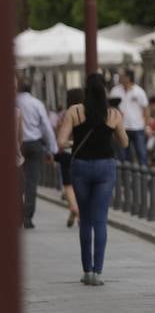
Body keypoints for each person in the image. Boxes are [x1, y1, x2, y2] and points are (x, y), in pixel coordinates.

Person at [56, 73, 129, 285]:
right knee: (101, 220)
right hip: (105, 167)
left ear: (86, 90)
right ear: (104, 91)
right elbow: (124, 143)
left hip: (80, 167)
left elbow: (61, 141)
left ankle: (86, 271)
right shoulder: (113, 114)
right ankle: (98, 272)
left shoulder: (75, 111)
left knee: (85, 220)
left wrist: (74, 143)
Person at [17, 78, 58, 228]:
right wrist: (52, 148)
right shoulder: (36, 103)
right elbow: (46, 126)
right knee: (31, 182)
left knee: (15, 181)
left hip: (15, 145)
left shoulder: (12, 102)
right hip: (34, 144)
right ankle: (27, 217)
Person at [54, 87, 83, 227]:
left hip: (66, 152)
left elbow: (58, 134)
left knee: (68, 183)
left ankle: (74, 209)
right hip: (82, 152)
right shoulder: (86, 113)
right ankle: (77, 209)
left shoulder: (64, 114)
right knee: (80, 183)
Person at [109, 69, 149, 166]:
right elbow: (110, 107)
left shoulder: (139, 91)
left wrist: (145, 125)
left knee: (141, 153)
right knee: (123, 155)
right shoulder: (115, 91)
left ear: (128, 77)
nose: (119, 78)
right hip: (122, 127)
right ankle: (126, 178)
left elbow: (146, 109)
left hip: (137, 127)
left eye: (122, 76)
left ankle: (144, 176)